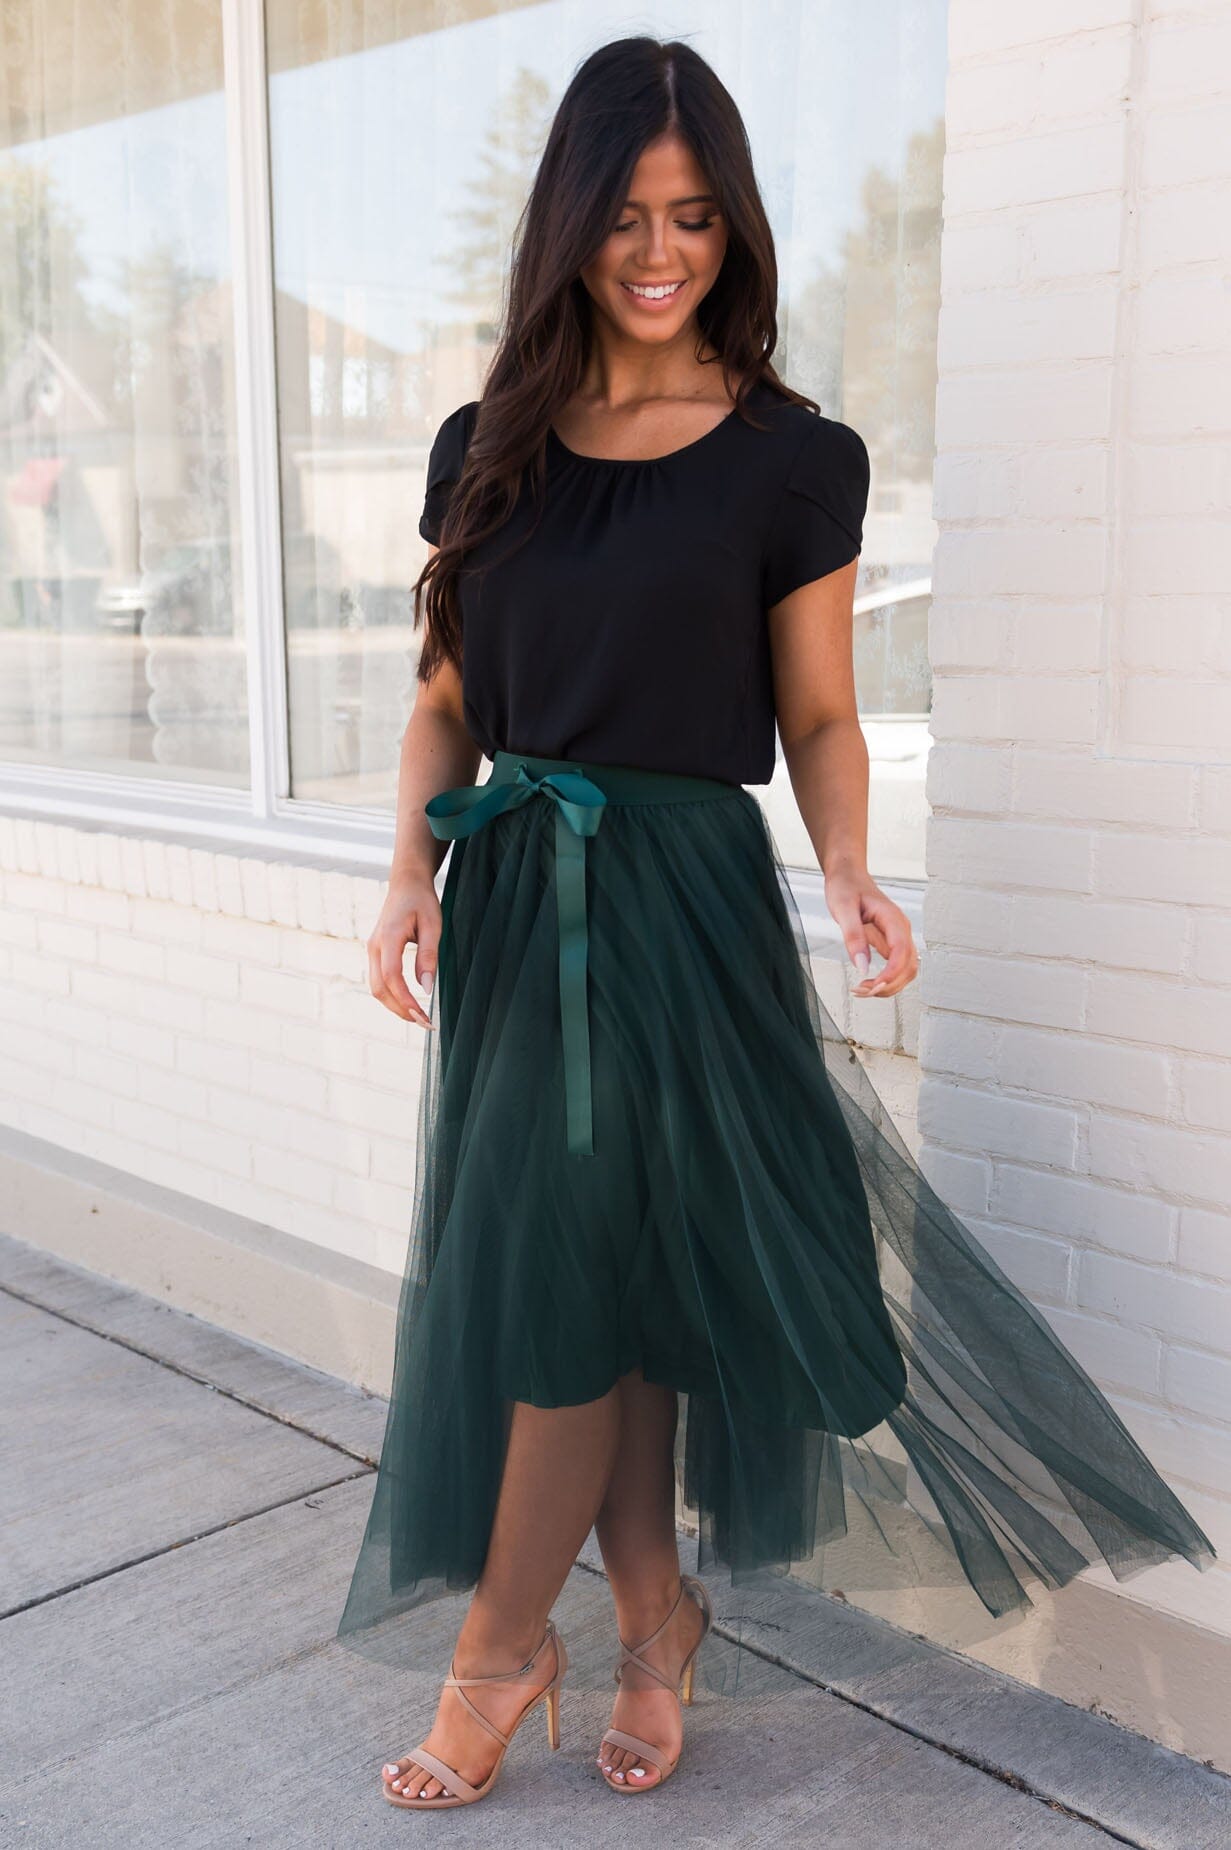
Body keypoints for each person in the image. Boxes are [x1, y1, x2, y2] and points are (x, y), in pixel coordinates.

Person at [336, 33, 1215, 1814]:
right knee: (597, 1279)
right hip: (520, 902)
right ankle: (654, 1615)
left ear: (732, 224)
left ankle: (502, 1648)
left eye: (695, 216)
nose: (661, 252)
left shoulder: (791, 460)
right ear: (568, 224)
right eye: (625, 217)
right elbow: (443, 701)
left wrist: (851, 863)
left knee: (593, 1276)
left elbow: (818, 711)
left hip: (680, 907)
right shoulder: (482, 448)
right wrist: (410, 868)